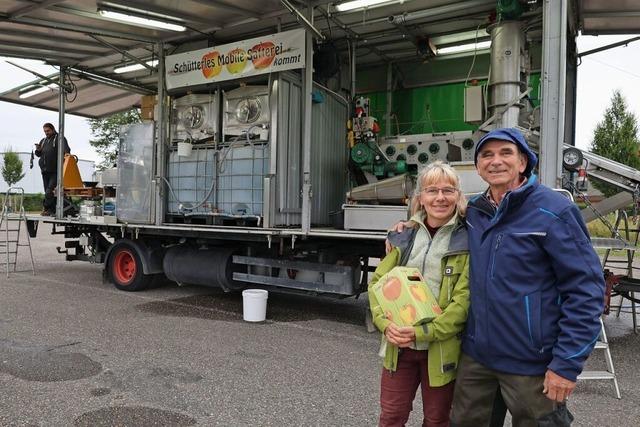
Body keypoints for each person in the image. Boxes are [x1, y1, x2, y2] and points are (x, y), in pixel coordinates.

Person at [447, 128, 605, 426]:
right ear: (478, 166)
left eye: (506, 153)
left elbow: (586, 291)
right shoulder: (474, 213)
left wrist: (566, 364)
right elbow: (433, 220)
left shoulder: (554, 211)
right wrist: (403, 231)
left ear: (523, 163)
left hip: (532, 363)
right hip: (477, 359)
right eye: (486, 155)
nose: (495, 161)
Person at [369, 161, 470, 427]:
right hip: (399, 347)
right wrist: (385, 325)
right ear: (420, 198)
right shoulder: (404, 235)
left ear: (459, 197)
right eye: (432, 190)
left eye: (448, 191)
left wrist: (421, 333)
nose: (440, 198)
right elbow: (378, 285)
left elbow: (462, 303)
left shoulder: (469, 239)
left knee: (437, 420)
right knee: (391, 417)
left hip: (441, 348)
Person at [34, 123, 70, 216]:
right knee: (47, 191)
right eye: (45, 131)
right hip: (45, 171)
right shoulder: (43, 140)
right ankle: (52, 210)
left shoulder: (59, 138)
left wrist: (64, 161)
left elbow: (67, 151)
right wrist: (38, 150)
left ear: (53, 129)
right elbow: (38, 154)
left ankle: (46, 208)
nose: (46, 133)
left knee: (50, 191)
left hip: (55, 171)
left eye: (48, 131)